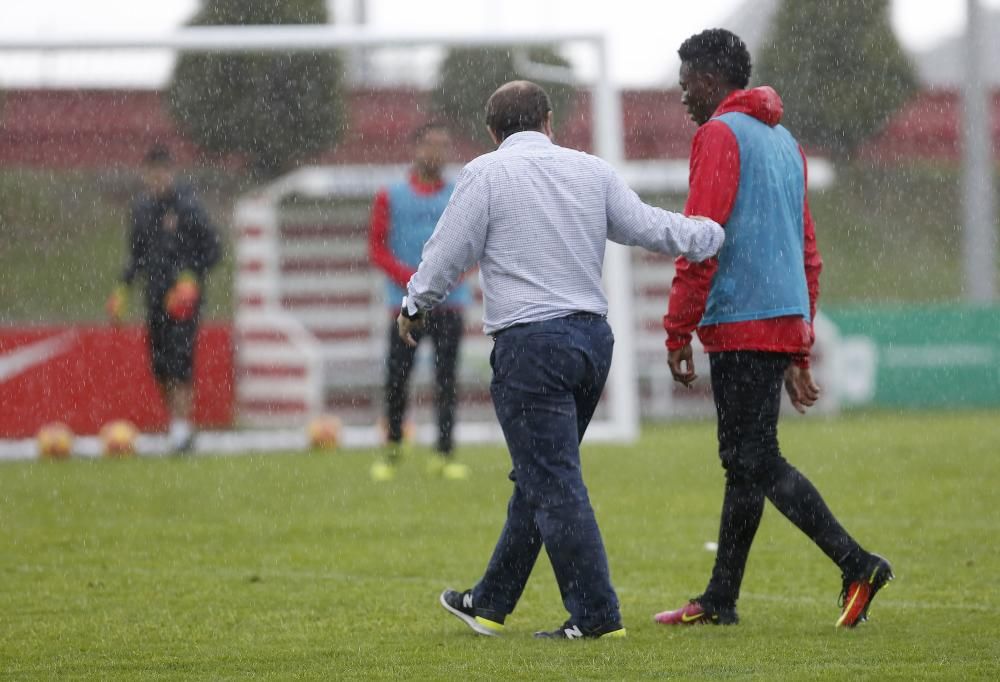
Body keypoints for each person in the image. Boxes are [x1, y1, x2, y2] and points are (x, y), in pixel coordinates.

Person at [397, 80, 725, 639]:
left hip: (531, 346)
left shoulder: (485, 174)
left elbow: (446, 253)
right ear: (549, 120)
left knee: (552, 482)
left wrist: (413, 304)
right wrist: (712, 234)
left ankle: (597, 617)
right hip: (591, 343)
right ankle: (490, 600)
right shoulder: (590, 171)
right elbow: (649, 227)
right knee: (540, 476)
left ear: (492, 131)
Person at [656, 29, 892, 629]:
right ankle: (720, 599)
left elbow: (701, 238)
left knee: (752, 457)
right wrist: (799, 339)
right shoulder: (787, 143)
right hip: (779, 315)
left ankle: (857, 561)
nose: (683, 96)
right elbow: (807, 248)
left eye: (686, 85)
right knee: (745, 461)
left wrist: (678, 329)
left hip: (739, 316)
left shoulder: (717, 135)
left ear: (710, 81)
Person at [368, 122, 470, 482]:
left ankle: (444, 453)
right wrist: (413, 282)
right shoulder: (390, 195)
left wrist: (442, 280)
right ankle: (393, 447)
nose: (437, 153)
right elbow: (377, 248)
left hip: (449, 303)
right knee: (397, 378)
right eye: (430, 145)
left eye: (443, 145)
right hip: (403, 306)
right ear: (415, 148)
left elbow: (471, 246)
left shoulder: (461, 194)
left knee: (447, 380)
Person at [107, 144, 221, 454]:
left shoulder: (188, 207)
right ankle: (177, 425)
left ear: (171, 173)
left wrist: (188, 278)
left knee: (180, 361)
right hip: (155, 297)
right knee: (159, 365)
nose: (158, 179)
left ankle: (181, 431)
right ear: (146, 175)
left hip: (183, 302)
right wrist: (122, 290)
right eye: (152, 173)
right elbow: (136, 255)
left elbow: (214, 250)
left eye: (163, 173)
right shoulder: (141, 210)